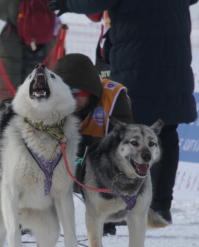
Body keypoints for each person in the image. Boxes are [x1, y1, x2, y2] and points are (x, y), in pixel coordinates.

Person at [48, 0, 199, 226]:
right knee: (167, 129)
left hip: (133, 49)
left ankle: (116, 207)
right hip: (175, 48)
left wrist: (67, 2)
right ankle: (159, 206)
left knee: (122, 130)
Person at [52, 52, 144, 234]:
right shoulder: (48, 100)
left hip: (95, 162)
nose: (70, 99)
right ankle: (32, 217)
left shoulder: (113, 98)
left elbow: (126, 144)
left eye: (76, 93)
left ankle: (107, 214)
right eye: (64, 93)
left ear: (90, 91)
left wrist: (88, 144)